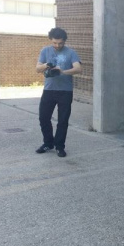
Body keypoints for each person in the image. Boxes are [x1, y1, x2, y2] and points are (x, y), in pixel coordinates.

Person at [35, 27, 82, 157]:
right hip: (49, 90)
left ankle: (60, 146)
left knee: (63, 120)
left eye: (60, 43)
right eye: (54, 43)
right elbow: (38, 68)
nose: (57, 45)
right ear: (51, 40)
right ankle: (48, 143)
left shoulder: (71, 52)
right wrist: (46, 65)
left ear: (64, 41)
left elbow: (78, 69)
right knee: (43, 118)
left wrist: (62, 71)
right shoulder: (45, 51)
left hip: (65, 92)